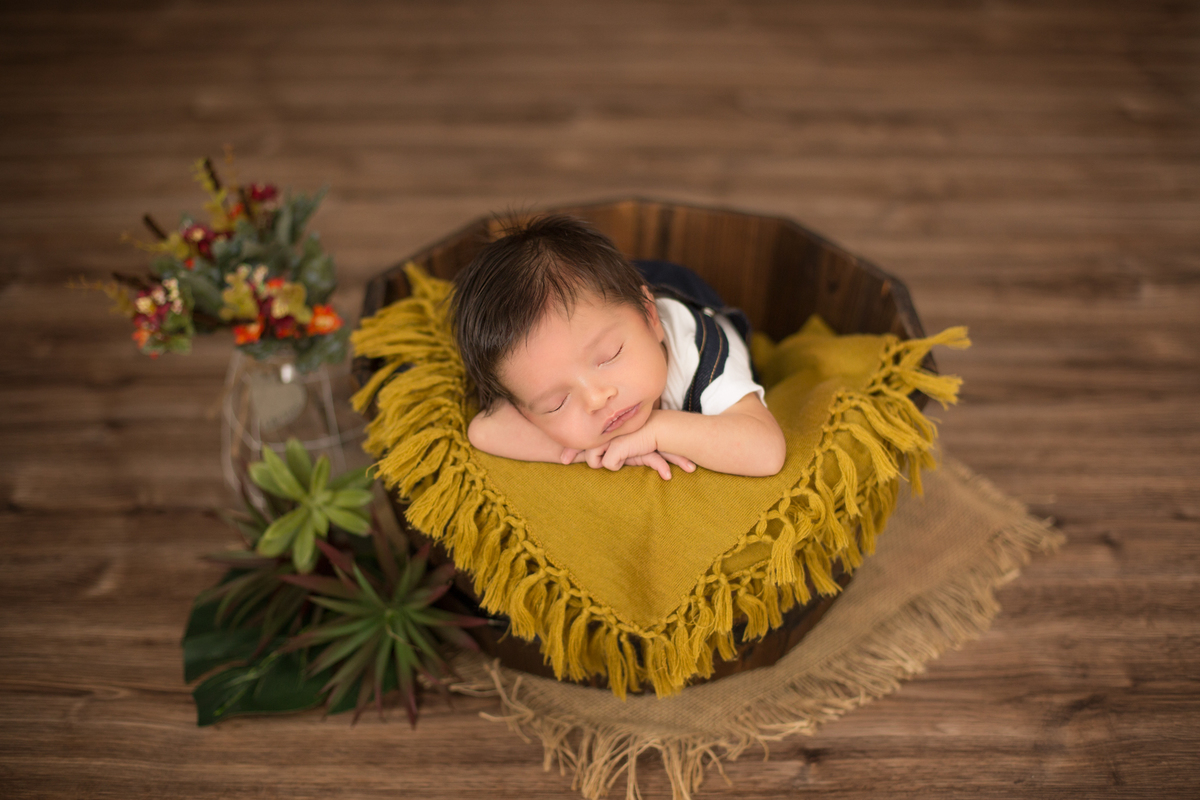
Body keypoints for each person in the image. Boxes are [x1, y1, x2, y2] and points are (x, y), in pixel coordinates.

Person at [453, 215, 786, 480]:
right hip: (614, 302)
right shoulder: (540, 366)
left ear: (651, 318)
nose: (596, 399)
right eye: (557, 403)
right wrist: (589, 451)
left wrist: (655, 432)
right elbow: (485, 430)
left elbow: (766, 451)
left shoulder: (704, 358)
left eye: (608, 356)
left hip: (679, 290)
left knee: (613, 292)